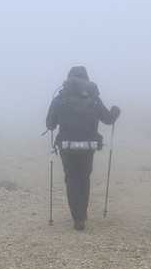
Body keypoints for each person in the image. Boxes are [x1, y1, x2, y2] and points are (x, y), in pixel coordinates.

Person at [45, 65, 121, 230]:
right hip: (88, 146)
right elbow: (108, 119)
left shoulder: (60, 98)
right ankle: (82, 214)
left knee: (71, 179)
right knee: (84, 178)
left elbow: (50, 124)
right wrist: (115, 111)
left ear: (69, 78)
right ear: (86, 79)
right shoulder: (94, 98)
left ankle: (77, 217)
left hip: (67, 147)